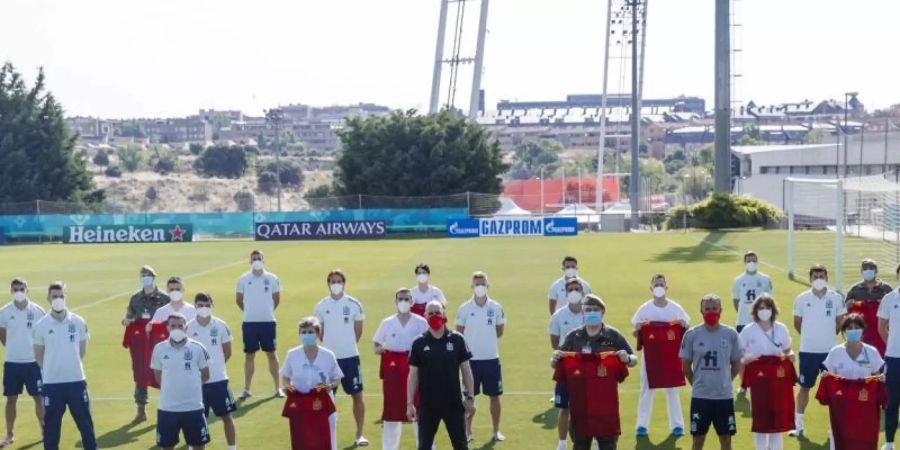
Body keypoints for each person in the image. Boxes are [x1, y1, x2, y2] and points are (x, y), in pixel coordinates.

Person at [553, 294, 638, 450]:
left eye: (595, 310)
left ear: (602, 312)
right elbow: (557, 362)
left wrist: (627, 358)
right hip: (580, 408)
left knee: (608, 446)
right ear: (583, 313)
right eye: (588, 310)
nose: (592, 312)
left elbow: (634, 359)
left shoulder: (613, 335)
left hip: (606, 408)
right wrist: (555, 358)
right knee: (580, 446)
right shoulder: (574, 336)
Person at [33, 282, 97, 450]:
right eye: (55, 296)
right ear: (48, 298)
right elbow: (38, 356)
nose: (58, 299)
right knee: (52, 428)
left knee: (85, 424)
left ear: (66, 297)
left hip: (76, 381)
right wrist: (52, 369)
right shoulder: (41, 326)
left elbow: (82, 351)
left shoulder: (78, 322)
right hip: (52, 384)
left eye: (61, 296)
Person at [407, 301, 475, 450]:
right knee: (424, 446)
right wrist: (409, 403)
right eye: (430, 313)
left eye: (437, 312)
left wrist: (470, 397)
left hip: (454, 404)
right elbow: (413, 375)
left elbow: (466, 370)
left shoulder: (457, 339)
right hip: (428, 405)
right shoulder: (418, 343)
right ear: (425, 316)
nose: (434, 316)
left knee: (461, 445)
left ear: (444, 313)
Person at [790, 264, 846, 437]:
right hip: (808, 351)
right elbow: (797, 323)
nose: (819, 279)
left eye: (822, 276)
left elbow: (840, 323)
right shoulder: (801, 298)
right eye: (815, 277)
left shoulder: (836, 298)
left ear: (827, 278)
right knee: (804, 387)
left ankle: (833, 429)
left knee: (834, 391)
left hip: (830, 353)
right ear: (810, 279)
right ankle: (799, 426)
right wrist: (810, 337)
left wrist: (828, 337)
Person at [680, 294, 742, 450]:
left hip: (724, 396)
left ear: (721, 310)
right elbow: (686, 366)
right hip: (701, 397)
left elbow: (736, 363)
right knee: (698, 439)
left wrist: (727, 380)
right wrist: (696, 384)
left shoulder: (731, 334)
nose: (711, 312)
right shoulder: (691, 335)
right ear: (701, 310)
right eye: (707, 309)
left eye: (714, 308)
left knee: (726, 439)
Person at [314, 269, 368, 447]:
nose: (335, 284)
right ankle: (326, 435)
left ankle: (359, 434)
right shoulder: (321, 305)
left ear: (344, 283)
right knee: (326, 397)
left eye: (338, 281)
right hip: (328, 360)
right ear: (328, 283)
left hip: (350, 357)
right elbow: (319, 332)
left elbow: (358, 331)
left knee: (357, 396)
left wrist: (347, 345)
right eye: (332, 281)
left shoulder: (354, 304)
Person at [631, 274, 689, 438]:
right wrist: (639, 329)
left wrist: (683, 324)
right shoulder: (644, 309)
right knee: (646, 390)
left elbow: (686, 328)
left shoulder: (676, 308)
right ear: (651, 288)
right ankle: (642, 425)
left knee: (672, 389)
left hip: (671, 356)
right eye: (656, 284)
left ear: (666, 287)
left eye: (661, 284)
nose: (659, 287)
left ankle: (677, 426)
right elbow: (635, 331)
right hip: (651, 357)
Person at [819, 313, 885, 450]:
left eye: (856, 327)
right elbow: (827, 373)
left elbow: (878, 376)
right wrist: (825, 375)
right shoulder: (836, 352)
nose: (853, 330)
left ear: (862, 330)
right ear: (844, 331)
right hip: (841, 408)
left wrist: (881, 379)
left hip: (864, 407)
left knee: (862, 440)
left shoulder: (871, 352)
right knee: (839, 440)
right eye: (849, 328)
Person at [373, 288, 429, 450]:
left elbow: (428, 345)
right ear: (396, 301)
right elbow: (376, 345)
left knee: (419, 412)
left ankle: (425, 446)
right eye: (400, 299)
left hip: (416, 372)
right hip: (393, 374)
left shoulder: (420, 322)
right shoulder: (387, 323)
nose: (403, 302)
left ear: (412, 302)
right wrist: (383, 350)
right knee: (392, 414)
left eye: (406, 299)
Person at [738, 294, 794, 450]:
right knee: (760, 416)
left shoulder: (781, 328)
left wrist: (790, 356)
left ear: (773, 309)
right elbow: (738, 352)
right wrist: (746, 359)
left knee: (777, 415)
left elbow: (787, 350)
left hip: (777, 380)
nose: (764, 311)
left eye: (768, 307)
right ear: (755, 310)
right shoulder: (749, 330)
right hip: (757, 381)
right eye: (761, 308)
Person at [456, 271, 506, 442]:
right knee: (469, 397)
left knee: (495, 396)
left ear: (487, 285)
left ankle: (495, 431)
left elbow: (499, 331)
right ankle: (467, 432)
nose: (480, 287)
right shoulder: (464, 308)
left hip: (491, 358)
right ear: (472, 286)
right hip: (470, 361)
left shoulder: (496, 307)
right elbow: (459, 333)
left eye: (482, 283)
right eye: (477, 284)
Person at [151, 313, 212, 450]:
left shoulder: (198, 348)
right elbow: (157, 374)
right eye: (173, 326)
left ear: (186, 328)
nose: (176, 329)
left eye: (180, 326)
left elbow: (206, 374)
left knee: (198, 445)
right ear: (167, 328)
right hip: (168, 408)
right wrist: (171, 388)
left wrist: (190, 385)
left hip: (193, 407)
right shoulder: (159, 349)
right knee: (167, 446)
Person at [280, 317, 343, 450]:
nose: (306, 335)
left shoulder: (328, 355)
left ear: (318, 334)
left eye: (310, 332)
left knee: (327, 441)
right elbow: (285, 377)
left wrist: (328, 386)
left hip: (323, 405)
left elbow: (337, 378)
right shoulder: (292, 354)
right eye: (303, 332)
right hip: (300, 405)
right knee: (302, 440)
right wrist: (288, 387)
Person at [187, 293, 237, 450]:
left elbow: (227, 352)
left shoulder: (221, 325)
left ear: (212, 305)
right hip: (196, 382)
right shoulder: (188, 327)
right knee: (196, 418)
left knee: (227, 416)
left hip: (219, 380)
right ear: (195, 305)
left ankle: (232, 448)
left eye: (207, 305)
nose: (204, 308)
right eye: (200, 305)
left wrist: (214, 367)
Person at [0, 278, 45, 447]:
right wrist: (14, 349)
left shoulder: (38, 311)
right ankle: (9, 434)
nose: (18, 291)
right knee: (11, 399)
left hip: (33, 363)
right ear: (11, 291)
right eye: (15, 289)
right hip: (12, 363)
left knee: (38, 398)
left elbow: (43, 335)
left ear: (27, 289)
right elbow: (3, 336)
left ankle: (44, 431)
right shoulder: (3, 312)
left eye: (21, 288)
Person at [121, 265, 170, 422]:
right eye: (142, 275)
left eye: (147, 275)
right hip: (140, 342)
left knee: (163, 372)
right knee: (141, 371)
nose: (145, 278)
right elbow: (128, 316)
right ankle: (141, 410)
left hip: (159, 340)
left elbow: (171, 317)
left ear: (153, 277)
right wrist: (126, 321)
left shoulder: (163, 297)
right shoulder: (135, 298)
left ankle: (168, 406)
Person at [235, 250, 283, 400]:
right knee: (249, 355)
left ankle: (277, 388)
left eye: (259, 258)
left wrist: (266, 311)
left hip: (268, 322)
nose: (256, 260)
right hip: (249, 323)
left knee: (271, 354)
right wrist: (249, 312)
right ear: (250, 261)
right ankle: (247, 389)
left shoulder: (272, 278)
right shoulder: (243, 279)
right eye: (254, 258)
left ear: (263, 260)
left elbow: (276, 299)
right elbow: (239, 300)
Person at [548, 278, 585, 450]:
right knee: (564, 408)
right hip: (566, 368)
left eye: (577, 288)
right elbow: (555, 342)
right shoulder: (558, 316)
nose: (574, 292)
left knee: (588, 409)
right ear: (566, 292)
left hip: (587, 369)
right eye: (570, 289)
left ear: (582, 291)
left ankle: (594, 441)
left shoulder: (590, 313)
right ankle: (562, 443)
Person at [846, 259, 892, 356]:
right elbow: (845, 311)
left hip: (882, 332)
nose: (868, 270)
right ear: (861, 271)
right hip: (862, 332)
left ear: (876, 270)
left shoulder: (886, 289)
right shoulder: (855, 290)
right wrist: (848, 305)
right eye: (865, 268)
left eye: (871, 268)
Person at [879, 267, 900, 450]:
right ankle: (889, 442)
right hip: (894, 359)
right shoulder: (889, 299)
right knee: (891, 402)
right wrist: (893, 343)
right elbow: (882, 328)